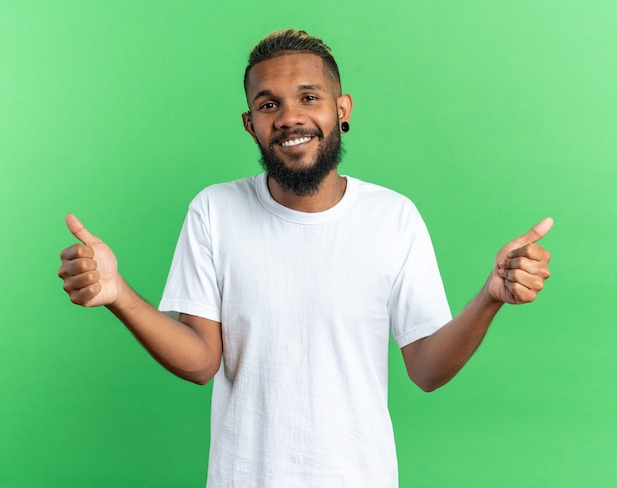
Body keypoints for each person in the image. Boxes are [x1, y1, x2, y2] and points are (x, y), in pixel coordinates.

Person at [58, 29, 552, 488]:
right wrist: (118, 294)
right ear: (251, 125)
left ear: (342, 109)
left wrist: (490, 298)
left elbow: (425, 369)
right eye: (269, 104)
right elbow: (202, 361)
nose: (290, 116)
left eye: (309, 97)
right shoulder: (214, 210)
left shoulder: (393, 217)